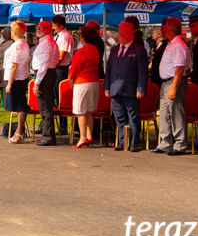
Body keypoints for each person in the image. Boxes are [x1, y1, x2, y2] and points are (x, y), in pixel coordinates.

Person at [105, 21, 148, 152]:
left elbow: (142, 71)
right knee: (119, 117)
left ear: (130, 35)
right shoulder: (114, 50)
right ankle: (122, 141)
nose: (121, 36)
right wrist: (107, 87)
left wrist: (141, 88)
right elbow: (109, 71)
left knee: (133, 117)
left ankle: (134, 142)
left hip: (131, 89)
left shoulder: (139, 50)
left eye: (124, 33)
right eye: (120, 33)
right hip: (115, 89)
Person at [152, 16, 190, 156]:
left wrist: (174, 86)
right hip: (166, 82)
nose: (161, 29)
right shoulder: (170, 44)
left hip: (173, 82)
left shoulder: (178, 45)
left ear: (170, 29)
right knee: (164, 113)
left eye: (164, 27)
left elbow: (179, 68)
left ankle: (180, 143)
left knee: (175, 112)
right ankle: (165, 142)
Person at [69, 24, 101, 148]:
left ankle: (82, 137)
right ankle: (89, 136)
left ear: (82, 38)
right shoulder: (95, 50)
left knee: (80, 111)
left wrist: (71, 78)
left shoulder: (81, 51)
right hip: (94, 81)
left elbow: (75, 67)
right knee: (89, 111)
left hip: (82, 82)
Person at [31, 20, 59, 146]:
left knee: (45, 107)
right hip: (48, 73)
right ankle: (48, 135)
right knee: (46, 105)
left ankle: (48, 136)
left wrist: (37, 82)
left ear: (48, 29)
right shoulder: (48, 42)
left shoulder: (46, 43)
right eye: (38, 27)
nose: (39, 29)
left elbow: (44, 65)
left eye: (42, 28)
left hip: (45, 74)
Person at [3, 21, 31, 144]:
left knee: (20, 106)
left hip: (16, 78)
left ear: (14, 31)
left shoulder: (17, 45)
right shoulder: (23, 44)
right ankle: (19, 130)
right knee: (20, 105)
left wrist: (9, 84)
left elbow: (14, 65)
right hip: (21, 76)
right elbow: (26, 61)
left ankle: (19, 131)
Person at [52, 14, 74, 135]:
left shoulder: (65, 37)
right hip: (57, 68)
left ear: (60, 26)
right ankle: (60, 124)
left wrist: (52, 65)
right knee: (55, 96)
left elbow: (61, 56)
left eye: (54, 26)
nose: (53, 28)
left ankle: (63, 125)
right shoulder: (58, 36)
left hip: (61, 68)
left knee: (60, 97)